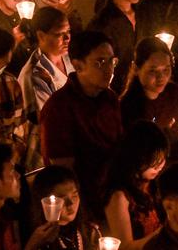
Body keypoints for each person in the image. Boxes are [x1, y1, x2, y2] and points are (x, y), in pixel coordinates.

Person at [40, 29, 123, 209]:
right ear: (78, 66)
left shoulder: (110, 98)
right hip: (82, 201)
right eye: (100, 62)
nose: (109, 69)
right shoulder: (59, 108)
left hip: (115, 193)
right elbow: (64, 171)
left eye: (111, 61)